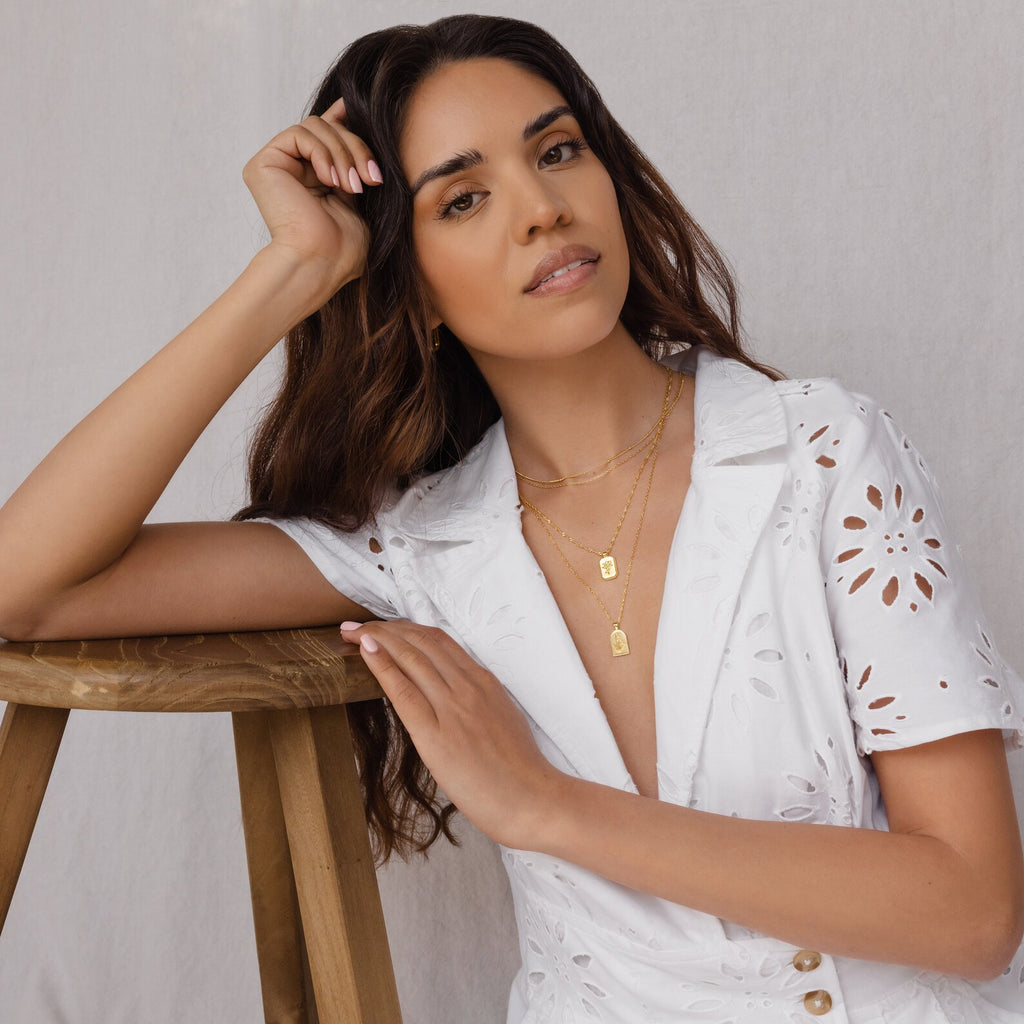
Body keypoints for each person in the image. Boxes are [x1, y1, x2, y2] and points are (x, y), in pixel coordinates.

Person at [0, 13, 1021, 1023]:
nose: (540, 208)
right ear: (413, 287)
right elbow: (27, 586)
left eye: (559, 150)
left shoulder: (820, 453)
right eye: (464, 199)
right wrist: (292, 271)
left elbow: (974, 911)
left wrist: (542, 804)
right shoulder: (420, 546)